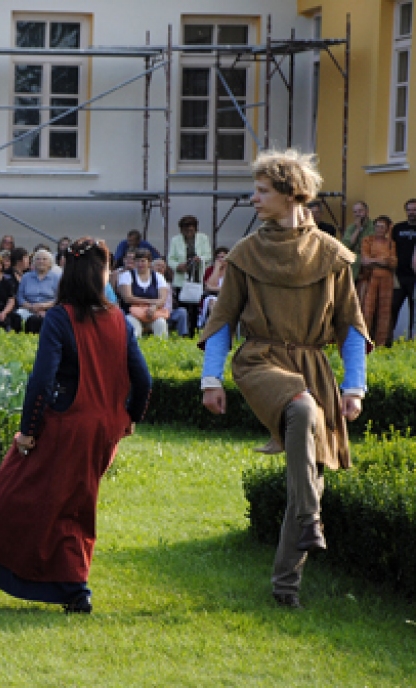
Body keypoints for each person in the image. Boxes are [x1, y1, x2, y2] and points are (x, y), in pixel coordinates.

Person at [199, 149, 369, 609]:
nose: (253, 198)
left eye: (262, 190)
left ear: (291, 193)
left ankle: (285, 588)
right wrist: (210, 379)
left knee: (310, 475)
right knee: (301, 406)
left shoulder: (333, 255)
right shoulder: (245, 253)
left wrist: (355, 386)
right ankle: (312, 518)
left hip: (313, 364)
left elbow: (352, 327)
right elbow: (222, 321)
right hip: (259, 360)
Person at [0, 237, 152, 614]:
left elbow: (42, 381)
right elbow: (143, 379)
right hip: (105, 430)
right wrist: (130, 418)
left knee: (23, 488)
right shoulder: (117, 317)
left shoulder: (61, 317)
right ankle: (66, 581)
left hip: (67, 423)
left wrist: (28, 430)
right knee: (76, 501)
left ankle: (71, 584)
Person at [359, 216, 397, 347]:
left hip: (387, 279)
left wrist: (374, 260)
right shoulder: (367, 240)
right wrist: (382, 260)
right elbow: (364, 260)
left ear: (387, 229)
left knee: (384, 312)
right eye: (377, 226)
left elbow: (392, 262)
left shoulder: (391, 243)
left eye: (382, 227)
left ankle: (380, 344)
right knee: (367, 310)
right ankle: (364, 343)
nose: (379, 229)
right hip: (371, 277)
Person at [118, 249, 170, 339]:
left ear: (149, 263)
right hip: (131, 314)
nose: (140, 264)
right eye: (137, 261)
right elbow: (128, 298)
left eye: (143, 261)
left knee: (161, 324)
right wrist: (152, 301)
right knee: (134, 330)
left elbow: (162, 299)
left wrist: (154, 307)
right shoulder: (126, 276)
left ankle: (161, 348)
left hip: (153, 313)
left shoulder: (158, 277)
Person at [390, 199, 416, 342]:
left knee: (414, 310)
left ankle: (412, 340)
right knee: (393, 306)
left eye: (414, 210)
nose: (412, 213)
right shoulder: (398, 228)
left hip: (415, 278)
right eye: (409, 210)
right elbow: (391, 249)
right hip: (399, 276)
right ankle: (387, 338)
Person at [16, 249, 59, 333]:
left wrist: (44, 306)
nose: (41, 261)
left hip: (49, 309)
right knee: (16, 317)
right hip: (28, 308)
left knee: (38, 321)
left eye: (44, 259)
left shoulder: (57, 278)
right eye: (38, 259)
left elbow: (59, 298)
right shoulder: (26, 277)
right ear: (33, 262)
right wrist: (30, 307)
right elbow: (20, 297)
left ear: (50, 263)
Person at [197, 247, 229, 330]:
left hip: (229, 298)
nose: (220, 259)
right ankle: (215, 328)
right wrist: (217, 269)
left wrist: (215, 288)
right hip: (213, 297)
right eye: (218, 257)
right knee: (212, 302)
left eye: (223, 257)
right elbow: (208, 287)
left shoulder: (232, 270)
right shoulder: (210, 270)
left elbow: (231, 288)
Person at [342, 201, 374, 282]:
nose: (357, 214)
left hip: (369, 258)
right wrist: (357, 229)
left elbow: (372, 246)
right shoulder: (351, 228)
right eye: (355, 212)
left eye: (360, 211)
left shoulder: (374, 226)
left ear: (367, 212)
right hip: (353, 259)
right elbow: (346, 246)